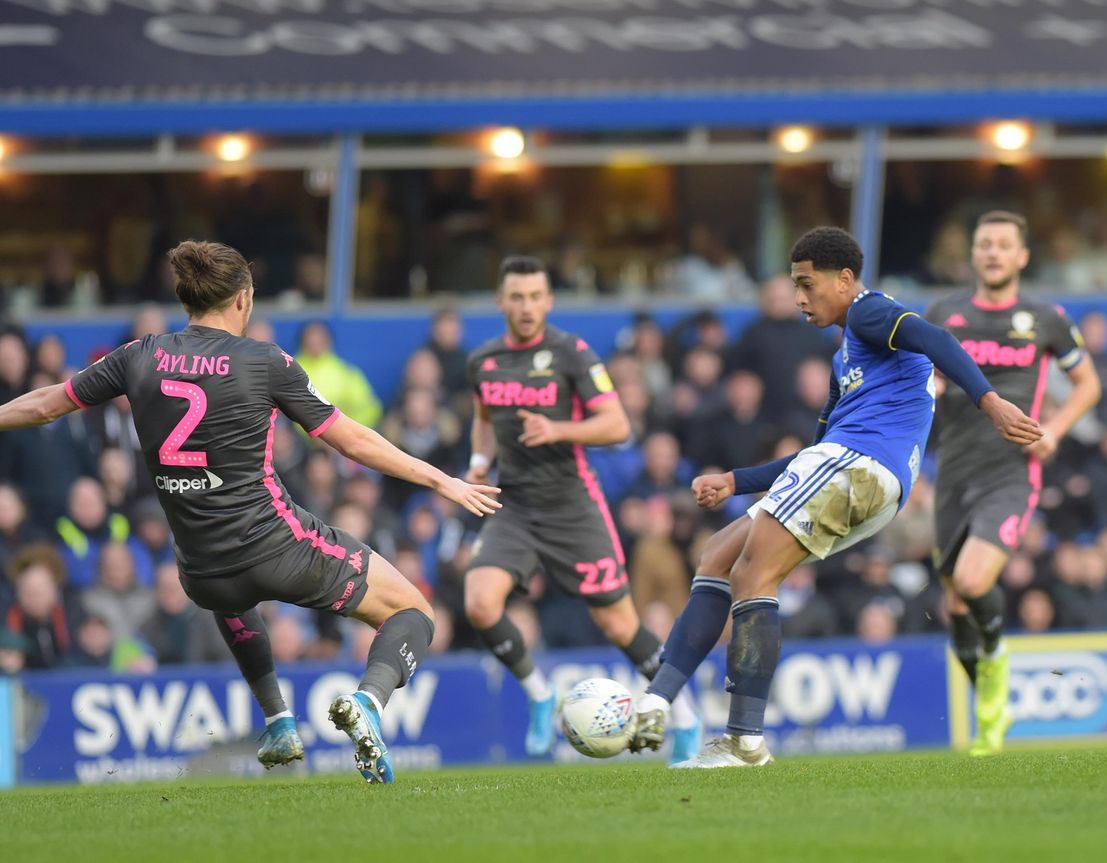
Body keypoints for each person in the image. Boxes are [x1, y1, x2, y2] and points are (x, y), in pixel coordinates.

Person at [0, 240, 501, 784]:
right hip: (277, 546)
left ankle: (278, 721)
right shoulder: (264, 361)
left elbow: (46, 403)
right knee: (414, 612)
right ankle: (369, 703)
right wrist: (440, 479)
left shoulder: (137, 355)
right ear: (242, 299)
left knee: (231, 589)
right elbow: (351, 441)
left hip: (200, 571)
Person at [626, 226, 1040, 767]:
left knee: (754, 576)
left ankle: (744, 740)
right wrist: (736, 479)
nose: (800, 298)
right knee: (718, 556)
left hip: (860, 467)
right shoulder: (848, 359)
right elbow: (812, 454)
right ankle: (658, 701)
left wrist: (990, 402)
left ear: (844, 280)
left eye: (807, 283)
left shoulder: (870, 312)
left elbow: (938, 339)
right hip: (853, 471)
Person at [463, 255, 702, 762]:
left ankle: (684, 718)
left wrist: (559, 429)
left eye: (535, 297)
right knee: (480, 602)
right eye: (517, 297)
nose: (526, 307)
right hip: (516, 505)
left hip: (572, 505)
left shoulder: (572, 353)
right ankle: (538, 693)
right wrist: (479, 460)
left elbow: (618, 426)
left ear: (548, 301)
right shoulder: (482, 360)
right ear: (501, 301)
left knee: (619, 626)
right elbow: (484, 418)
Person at [923, 211, 1100, 755]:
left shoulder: (1044, 318)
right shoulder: (943, 313)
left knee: (974, 583)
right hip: (953, 471)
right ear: (972, 255)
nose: (993, 253)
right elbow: (923, 378)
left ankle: (996, 664)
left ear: (1022, 256)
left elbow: (1087, 383)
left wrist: (1055, 430)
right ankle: (990, 709)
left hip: (1011, 471)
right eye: (984, 245)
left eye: (1004, 245)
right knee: (954, 603)